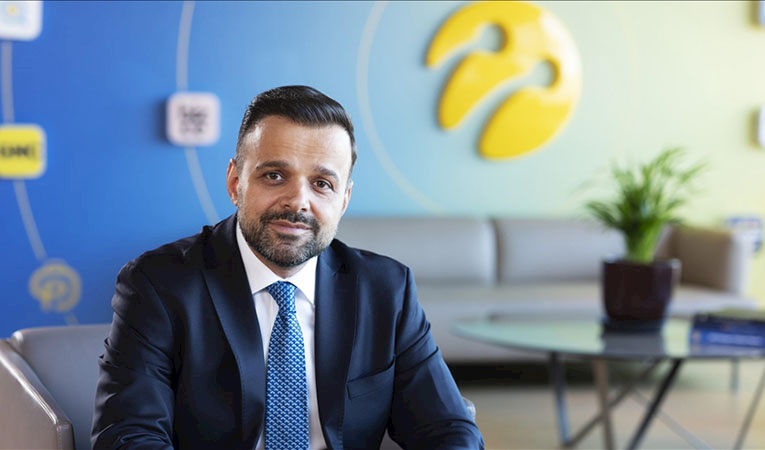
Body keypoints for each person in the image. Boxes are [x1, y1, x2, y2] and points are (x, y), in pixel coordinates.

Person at [91, 85, 484, 450]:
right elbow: (129, 435)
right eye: (275, 176)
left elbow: (448, 428)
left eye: (322, 183)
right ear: (235, 182)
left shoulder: (386, 289)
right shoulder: (158, 284)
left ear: (344, 200)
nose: (298, 201)